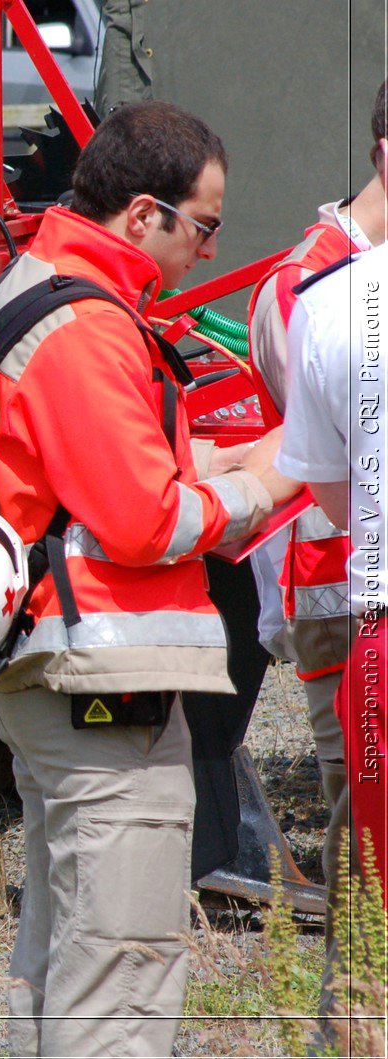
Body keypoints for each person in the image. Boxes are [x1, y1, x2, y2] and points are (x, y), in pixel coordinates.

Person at [0, 101, 302, 1059]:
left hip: (67, 678)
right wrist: (261, 484)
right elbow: (142, 519)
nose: (207, 251)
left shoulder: (41, 290)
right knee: (122, 963)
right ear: (143, 213)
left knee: (67, 950)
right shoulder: (83, 326)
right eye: (203, 226)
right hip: (98, 684)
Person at [247, 78, 386, 897]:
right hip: (338, 586)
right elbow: (316, 458)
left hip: (355, 571)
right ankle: (359, 1004)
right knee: (360, 824)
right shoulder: (310, 282)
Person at [278, 239, 388, 912]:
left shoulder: (325, 298)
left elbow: (331, 492)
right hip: (342, 612)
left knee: (372, 916)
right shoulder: (312, 284)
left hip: (369, 621)